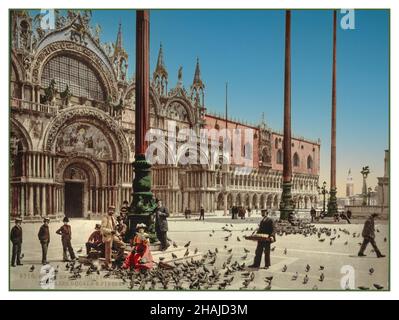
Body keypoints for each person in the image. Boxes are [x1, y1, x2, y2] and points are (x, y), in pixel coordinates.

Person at [101, 205, 126, 270]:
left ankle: (117, 260)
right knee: (108, 251)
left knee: (123, 245)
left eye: (113, 210)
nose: (111, 211)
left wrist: (118, 235)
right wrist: (110, 231)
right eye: (110, 210)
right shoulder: (105, 218)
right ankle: (108, 265)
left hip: (114, 236)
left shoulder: (113, 218)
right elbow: (102, 229)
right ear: (108, 210)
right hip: (108, 236)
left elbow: (115, 229)